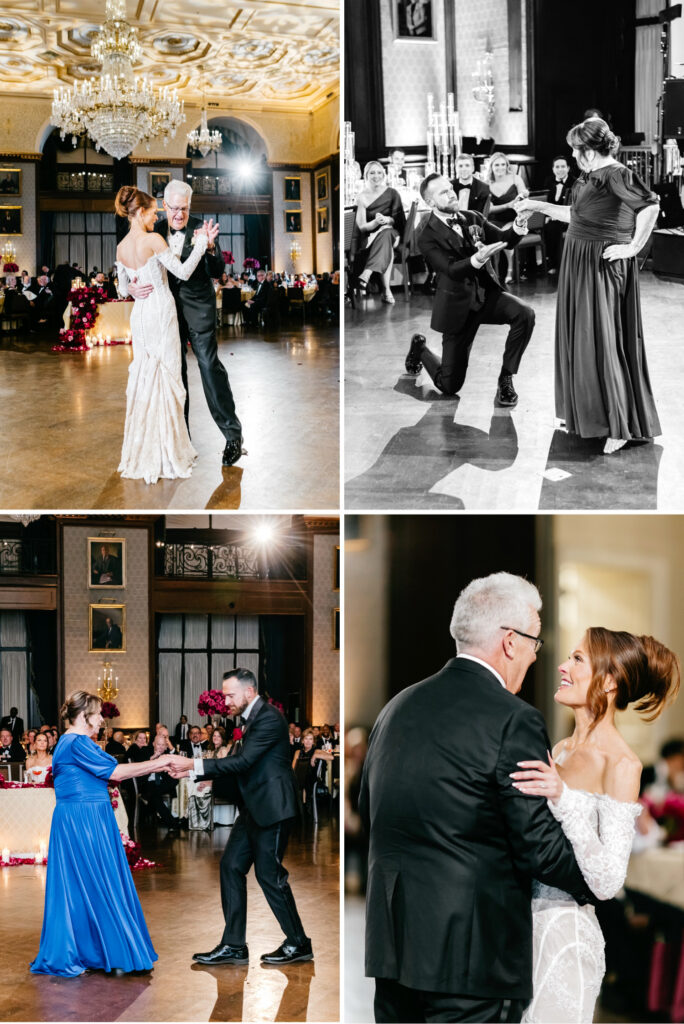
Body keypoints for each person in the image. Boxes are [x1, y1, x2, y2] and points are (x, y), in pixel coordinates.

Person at [360, 572, 594, 1024]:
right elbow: (537, 845)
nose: (533, 655)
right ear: (510, 642)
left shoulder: (395, 708)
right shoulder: (513, 720)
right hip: (471, 962)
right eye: (534, 642)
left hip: (392, 954)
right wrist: (597, 884)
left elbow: (372, 813)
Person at [511, 627, 679, 1023]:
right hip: (522, 932)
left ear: (608, 681)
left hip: (565, 938)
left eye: (577, 659)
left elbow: (607, 880)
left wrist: (562, 798)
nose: (562, 666)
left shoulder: (622, 764)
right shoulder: (562, 749)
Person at [515, 118, 661, 454]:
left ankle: (618, 424)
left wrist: (633, 247)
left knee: (605, 340)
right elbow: (576, 216)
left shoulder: (617, 174)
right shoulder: (590, 177)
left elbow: (650, 206)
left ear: (588, 151)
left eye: (575, 150)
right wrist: (535, 205)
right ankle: (588, 415)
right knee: (583, 338)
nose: (573, 155)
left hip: (602, 266)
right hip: (579, 263)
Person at [168, 668, 312, 966]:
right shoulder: (252, 720)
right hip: (254, 808)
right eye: (224, 695)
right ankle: (234, 945)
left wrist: (194, 765)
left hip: (273, 809)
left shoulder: (269, 718)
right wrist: (204, 777)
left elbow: (244, 761)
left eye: (230, 695)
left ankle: (299, 943)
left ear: (249, 692)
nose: (225, 701)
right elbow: (249, 770)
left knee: (269, 876)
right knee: (231, 866)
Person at [30, 690, 174, 976]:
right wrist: (161, 763)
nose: (101, 720)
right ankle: (106, 949)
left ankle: (99, 949)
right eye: (98, 715)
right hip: (83, 820)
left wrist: (157, 759)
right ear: (84, 716)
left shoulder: (78, 742)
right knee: (97, 882)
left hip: (89, 817)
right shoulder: (74, 742)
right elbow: (116, 773)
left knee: (90, 884)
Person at [405, 172, 534, 407]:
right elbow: (450, 270)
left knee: (525, 313)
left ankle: (506, 378)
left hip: (486, 297)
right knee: (449, 386)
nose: (451, 192)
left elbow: (505, 239)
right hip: (458, 308)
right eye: (443, 192)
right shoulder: (426, 236)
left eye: (450, 187)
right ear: (431, 202)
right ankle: (420, 348)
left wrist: (519, 222)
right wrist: (477, 258)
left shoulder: (472, 217)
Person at [114, 186, 215, 484]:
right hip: (160, 312)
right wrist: (199, 244)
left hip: (140, 316)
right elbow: (182, 272)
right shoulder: (153, 239)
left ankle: (143, 449)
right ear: (141, 212)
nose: (158, 215)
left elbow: (122, 288)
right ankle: (167, 451)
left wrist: (131, 288)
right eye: (155, 211)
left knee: (145, 378)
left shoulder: (121, 247)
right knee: (168, 377)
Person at [351, 161, 405, 304]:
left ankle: (367, 273)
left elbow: (399, 221)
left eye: (379, 172)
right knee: (385, 239)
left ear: (384, 175)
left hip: (394, 234)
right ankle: (386, 291)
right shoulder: (361, 197)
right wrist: (375, 223)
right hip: (371, 238)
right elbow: (362, 227)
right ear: (366, 175)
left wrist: (388, 220)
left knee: (387, 232)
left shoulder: (393, 193)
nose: (376, 176)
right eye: (372, 173)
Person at [486, 152, 529, 283]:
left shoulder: (515, 179)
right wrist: (508, 205)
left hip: (514, 219)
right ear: (491, 167)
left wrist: (523, 195)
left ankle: (510, 270)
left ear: (507, 166)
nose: (500, 167)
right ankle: (493, 272)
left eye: (503, 164)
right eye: (497, 165)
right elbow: (489, 209)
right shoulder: (486, 184)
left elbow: (524, 196)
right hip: (494, 220)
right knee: (492, 234)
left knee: (506, 234)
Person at [542, 155, 575, 274]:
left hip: (567, 219)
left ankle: (554, 263)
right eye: (557, 167)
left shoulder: (574, 182)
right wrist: (546, 217)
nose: (560, 169)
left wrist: (555, 216)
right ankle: (541, 263)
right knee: (543, 227)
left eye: (563, 166)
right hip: (549, 218)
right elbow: (544, 203)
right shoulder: (547, 181)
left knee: (552, 228)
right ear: (553, 169)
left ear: (568, 168)